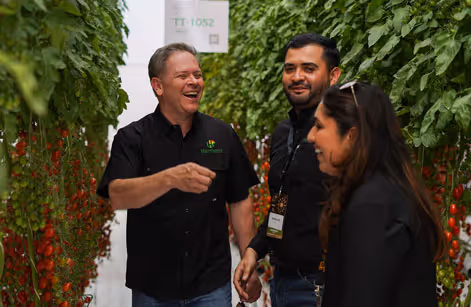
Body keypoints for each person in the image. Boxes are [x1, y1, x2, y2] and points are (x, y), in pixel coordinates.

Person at [97, 43, 262, 306]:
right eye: (183, 76)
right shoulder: (132, 139)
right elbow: (117, 195)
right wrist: (170, 179)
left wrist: (248, 262)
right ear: (158, 86)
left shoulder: (222, 135)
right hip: (152, 288)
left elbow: (240, 201)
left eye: (197, 75)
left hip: (211, 286)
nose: (194, 82)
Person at [307, 81, 446, 307]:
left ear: (351, 136)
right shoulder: (384, 193)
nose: (311, 136)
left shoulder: (371, 207)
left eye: (319, 126)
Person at [234, 33, 341, 306]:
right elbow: (282, 202)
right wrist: (255, 249)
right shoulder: (284, 132)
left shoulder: (347, 135)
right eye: (290, 68)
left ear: (333, 75)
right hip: (283, 281)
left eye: (309, 68)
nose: (296, 76)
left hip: (324, 287)